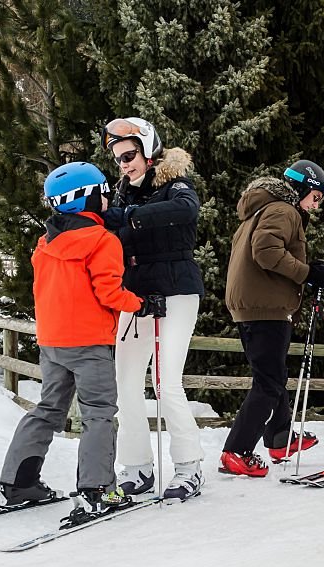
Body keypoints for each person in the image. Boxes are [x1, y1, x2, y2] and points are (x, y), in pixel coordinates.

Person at [0, 162, 144, 511]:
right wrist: (138, 302)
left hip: (52, 342)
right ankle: (99, 488)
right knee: (98, 413)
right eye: (103, 192)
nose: (108, 198)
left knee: (48, 409)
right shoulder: (101, 240)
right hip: (89, 342)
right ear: (86, 198)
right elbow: (108, 293)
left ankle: (19, 483)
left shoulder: (46, 242)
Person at [101, 117, 206, 502]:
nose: (124, 165)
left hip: (176, 290)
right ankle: (137, 466)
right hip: (138, 294)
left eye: (129, 156)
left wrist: (128, 217)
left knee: (165, 382)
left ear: (148, 151)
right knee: (125, 380)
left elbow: (186, 210)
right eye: (118, 159)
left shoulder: (175, 184)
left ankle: (188, 465)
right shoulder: (122, 192)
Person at [219, 160, 324, 477]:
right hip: (266, 308)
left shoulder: (262, 210)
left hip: (255, 306)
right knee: (269, 384)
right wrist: (308, 273)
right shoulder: (283, 210)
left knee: (273, 376)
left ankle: (280, 436)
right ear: (301, 189)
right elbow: (267, 251)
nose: (314, 206)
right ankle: (236, 450)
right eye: (314, 197)